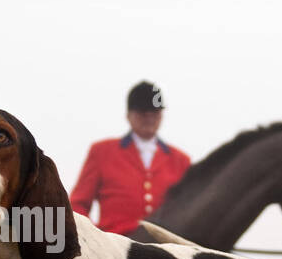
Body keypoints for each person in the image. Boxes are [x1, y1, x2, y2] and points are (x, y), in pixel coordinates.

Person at [69, 80, 192, 235]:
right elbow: (78, 204)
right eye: (142, 113)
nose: (149, 118)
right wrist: (95, 239)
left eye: (154, 113)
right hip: (115, 246)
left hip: (166, 249)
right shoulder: (102, 152)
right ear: (129, 116)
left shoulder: (181, 161)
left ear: (161, 116)